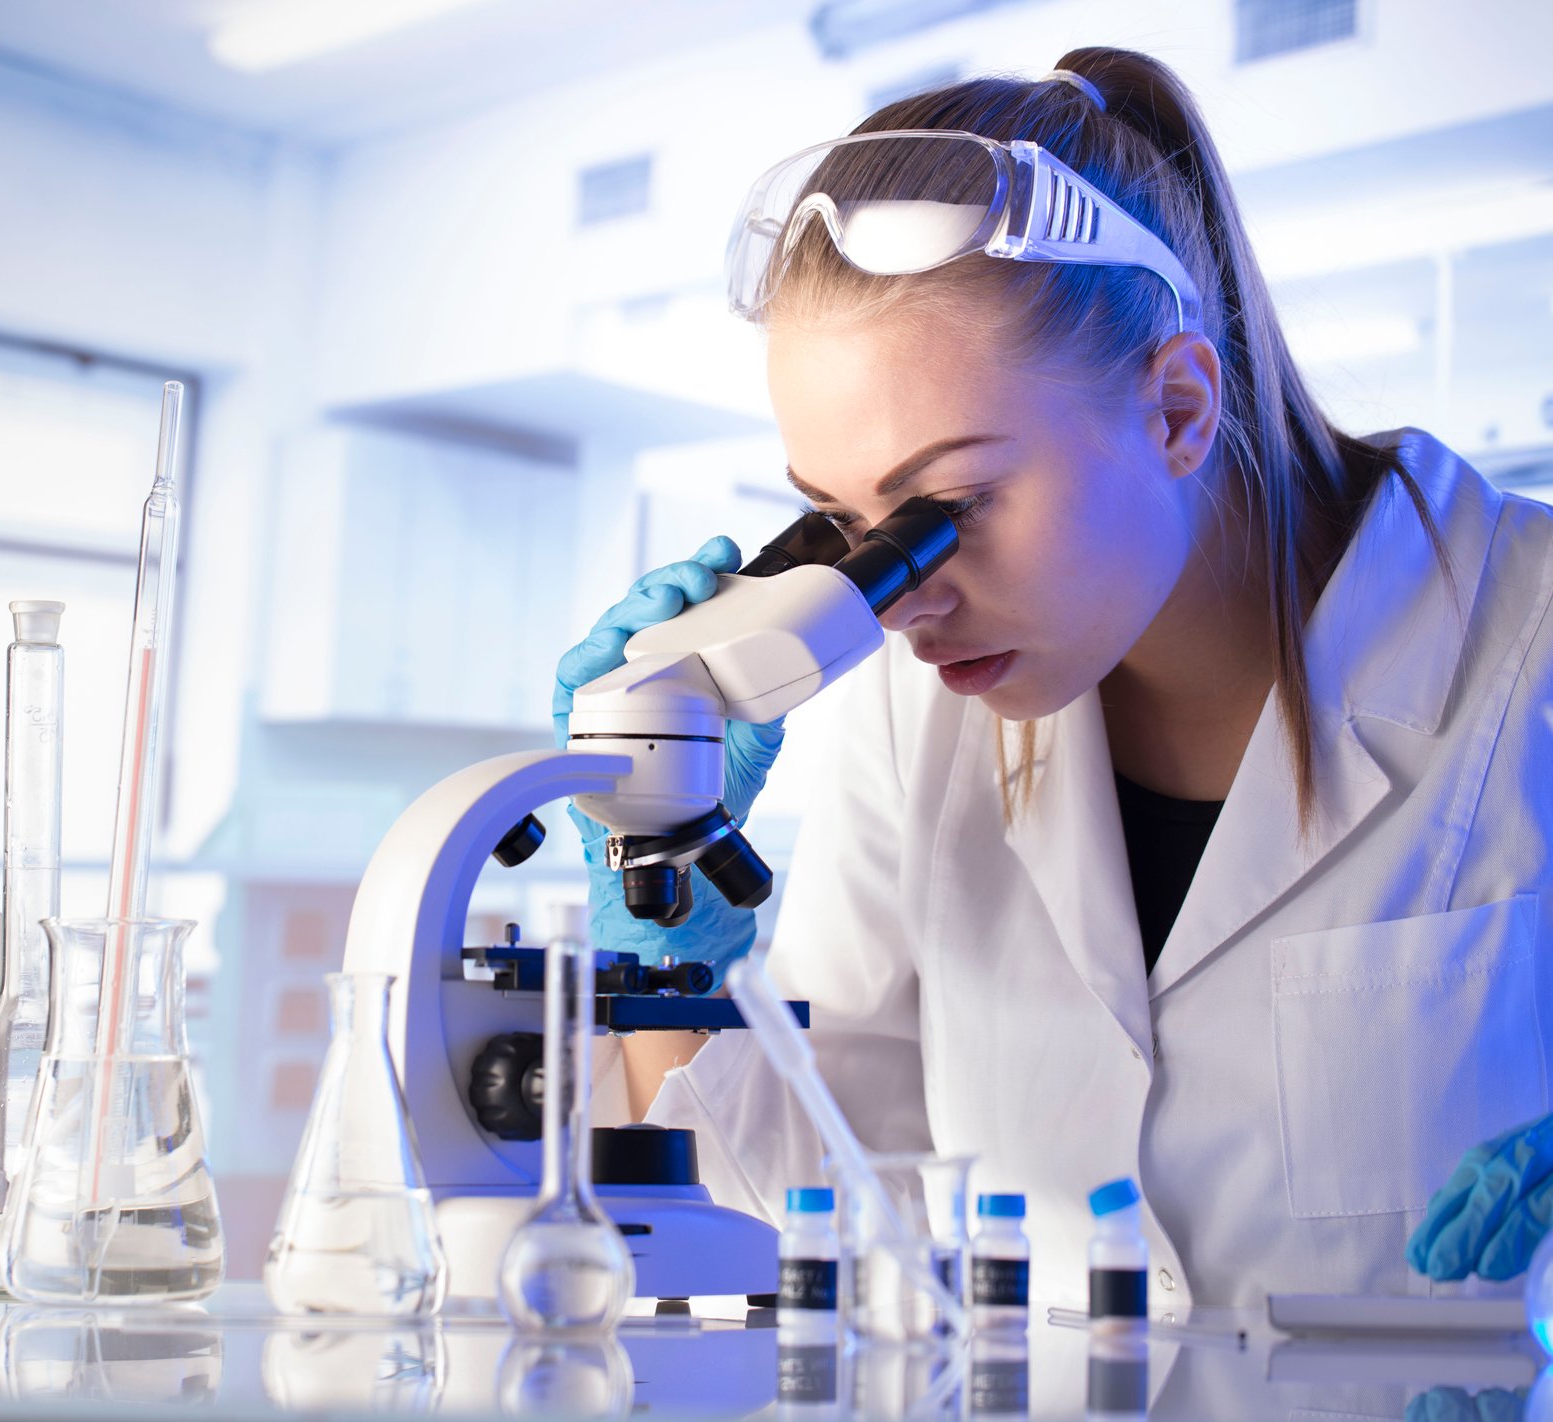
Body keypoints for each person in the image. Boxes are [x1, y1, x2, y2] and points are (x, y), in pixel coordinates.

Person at [553, 46, 1553, 1307]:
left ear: (1178, 409)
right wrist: (670, 952)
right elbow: (795, 1209)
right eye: (843, 526)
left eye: (950, 504)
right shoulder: (915, 704)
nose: (899, 595)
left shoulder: (1528, 633)